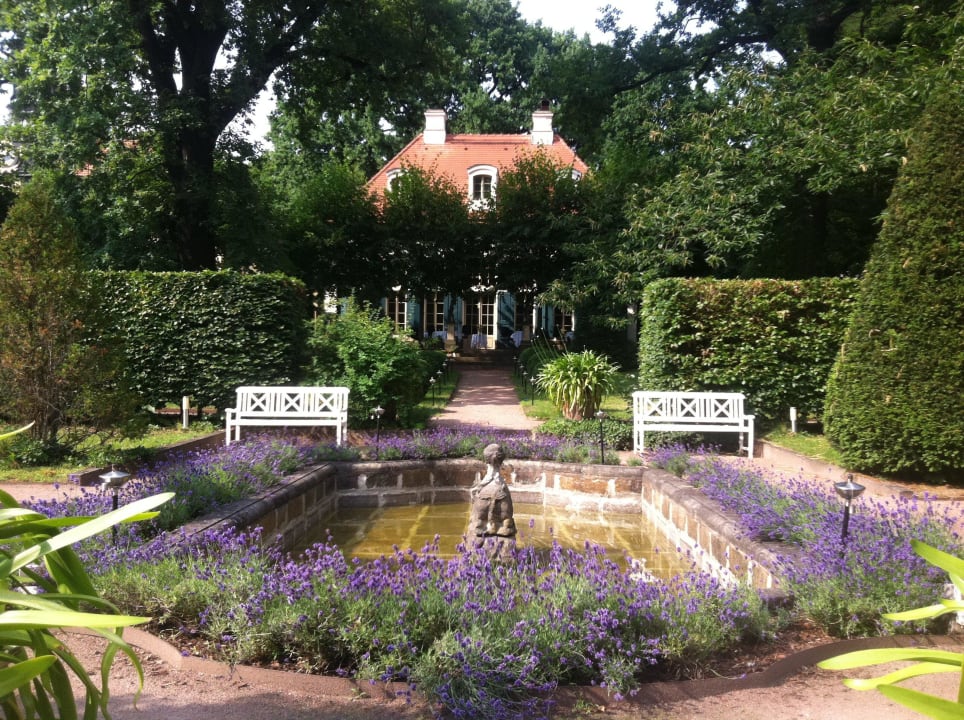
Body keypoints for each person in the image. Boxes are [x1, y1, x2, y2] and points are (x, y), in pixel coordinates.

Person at [467, 443, 516, 538]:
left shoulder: (482, 488)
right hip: (501, 494)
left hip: (484, 496)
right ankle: (501, 527)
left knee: (478, 518)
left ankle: (483, 525)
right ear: (502, 460)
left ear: (486, 459)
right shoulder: (502, 488)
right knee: (506, 521)